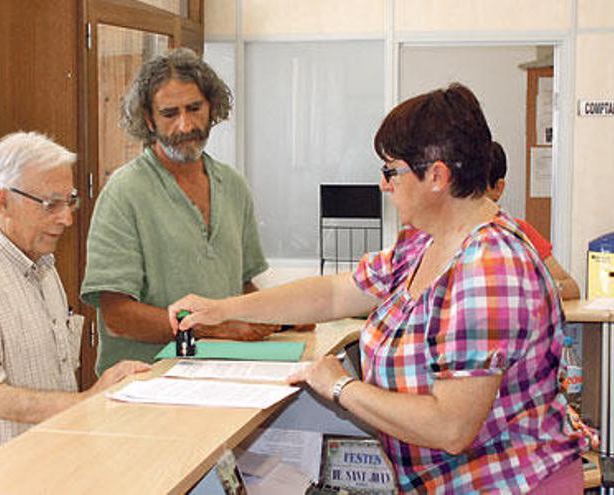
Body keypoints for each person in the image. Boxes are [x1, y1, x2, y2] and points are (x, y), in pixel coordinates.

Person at [170, 84, 590, 493]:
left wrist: (341, 386)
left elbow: (451, 427)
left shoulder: (489, 269)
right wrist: (225, 309)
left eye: (391, 171)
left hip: (510, 484)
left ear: (437, 176)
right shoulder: (426, 240)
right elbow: (336, 293)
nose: (383, 185)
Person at [81, 47, 309, 375]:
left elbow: (241, 287)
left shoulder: (232, 186)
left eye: (194, 108)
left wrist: (280, 316)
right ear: (148, 119)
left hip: (222, 372)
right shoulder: (124, 193)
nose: (185, 124)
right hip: (144, 380)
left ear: (211, 107)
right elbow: (117, 316)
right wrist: (211, 327)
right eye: (170, 114)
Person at [0, 132, 150, 463]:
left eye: (69, 200)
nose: (67, 218)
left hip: (49, 457)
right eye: (51, 204)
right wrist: (91, 400)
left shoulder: (43, 266)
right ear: (3, 201)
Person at [487, 141, 581, 300]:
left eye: (477, 190)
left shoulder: (519, 231)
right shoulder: (444, 235)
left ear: (498, 188)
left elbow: (571, 288)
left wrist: (536, 288)